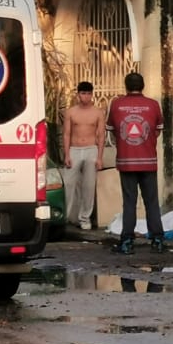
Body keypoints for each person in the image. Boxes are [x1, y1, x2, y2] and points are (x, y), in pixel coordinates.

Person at [106, 71, 166, 255]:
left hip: (126, 162)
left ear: (126, 86)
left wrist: (127, 143)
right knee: (152, 202)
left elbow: (113, 131)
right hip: (148, 162)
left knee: (129, 202)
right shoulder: (153, 105)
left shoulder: (117, 105)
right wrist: (144, 141)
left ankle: (127, 242)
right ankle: (158, 241)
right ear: (143, 86)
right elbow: (157, 130)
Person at [62, 81, 103, 231]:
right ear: (78, 94)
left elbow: (101, 136)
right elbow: (66, 134)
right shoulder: (71, 112)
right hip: (74, 149)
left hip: (91, 149)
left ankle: (85, 218)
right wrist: (66, 154)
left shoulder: (98, 112)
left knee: (89, 186)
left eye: (88, 93)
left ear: (92, 95)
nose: (85, 96)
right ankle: (65, 217)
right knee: (68, 184)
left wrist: (99, 157)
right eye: (83, 93)